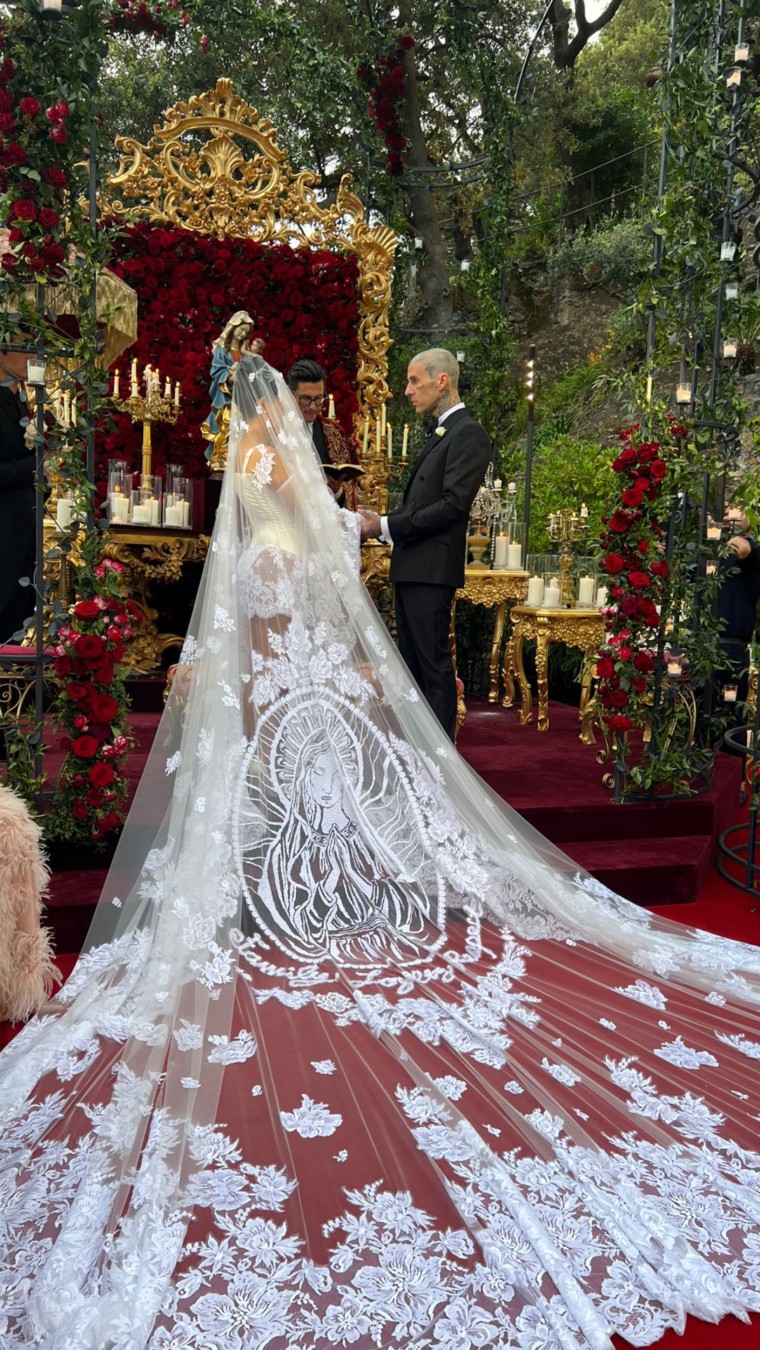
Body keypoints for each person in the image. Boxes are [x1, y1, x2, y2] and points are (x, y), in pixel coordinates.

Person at [3, 355, 760, 1348]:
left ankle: (301, 891)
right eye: (260, 440)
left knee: (312, 801)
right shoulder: (290, 517)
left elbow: (263, 626)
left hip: (290, 704)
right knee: (317, 803)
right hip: (297, 705)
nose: (253, 451)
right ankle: (308, 887)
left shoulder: (272, 518)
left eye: (254, 440)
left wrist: (222, 673)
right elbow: (289, 624)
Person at [360, 348, 491, 739]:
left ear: (442, 381)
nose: (407, 390)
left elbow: (451, 506)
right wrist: (384, 524)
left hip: (431, 571)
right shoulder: (444, 433)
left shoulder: (469, 433)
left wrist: (383, 524)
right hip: (415, 567)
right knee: (414, 666)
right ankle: (418, 751)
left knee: (433, 668)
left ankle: (440, 759)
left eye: (415, 381)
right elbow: (423, 504)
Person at [285, 357, 357, 504]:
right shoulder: (273, 430)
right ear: (290, 395)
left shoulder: (333, 433)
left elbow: (349, 496)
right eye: (305, 399)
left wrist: (337, 491)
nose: (312, 406)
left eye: (318, 399)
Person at [0, 348, 36, 643]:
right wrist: (34, 467)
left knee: (17, 619)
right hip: (3, 529)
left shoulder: (20, 402)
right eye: (25, 350)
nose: (32, 358)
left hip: (23, 530)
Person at [202, 310, 264, 471]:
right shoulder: (222, 352)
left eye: (246, 332)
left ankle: (238, 458)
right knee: (227, 424)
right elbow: (216, 371)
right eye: (241, 329)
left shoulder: (245, 355)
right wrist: (229, 378)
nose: (243, 333)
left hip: (243, 399)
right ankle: (220, 457)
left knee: (243, 428)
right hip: (227, 398)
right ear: (233, 326)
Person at [714, 507, 760, 703]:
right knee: (702, 709)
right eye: (727, 516)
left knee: (729, 709)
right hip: (705, 646)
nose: (729, 521)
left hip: (731, 650)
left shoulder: (753, 549)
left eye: (735, 516)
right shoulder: (716, 554)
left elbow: (743, 548)